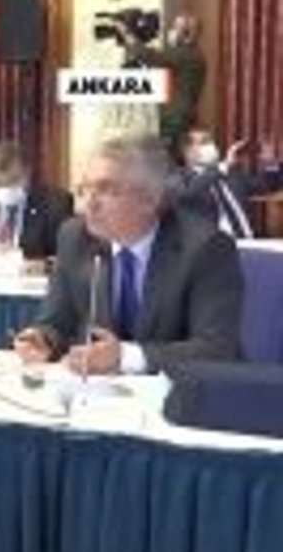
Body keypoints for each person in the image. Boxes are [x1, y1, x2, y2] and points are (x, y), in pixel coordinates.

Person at [13, 134, 243, 376]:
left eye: (106, 190)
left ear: (150, 199)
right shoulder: (75, 238)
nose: (88, 204)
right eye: (84, 189)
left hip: (181, 392)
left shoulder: (205, 248)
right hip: (98, 391)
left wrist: (126, 357)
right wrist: (42, 339)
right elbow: (56, 321)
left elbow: (215, 348)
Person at [116, 14, 207, 156]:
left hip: (175, 120)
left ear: (186, 34)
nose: (170, 31)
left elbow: (151, 57)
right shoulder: (193, 54)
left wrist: (127, 34)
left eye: (175, 28)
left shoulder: (185, 54)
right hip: (179, 116)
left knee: (171, 158)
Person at [170, 129, 263, 239]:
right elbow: (187, 194)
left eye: (211, 141)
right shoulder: (178, 177)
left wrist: (266, 158)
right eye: (204, 142)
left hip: (249, 242)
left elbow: (264, 184)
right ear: (188, 151)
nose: (211, 146)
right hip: (210, 245)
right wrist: (222, 166)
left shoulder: (230, 174)